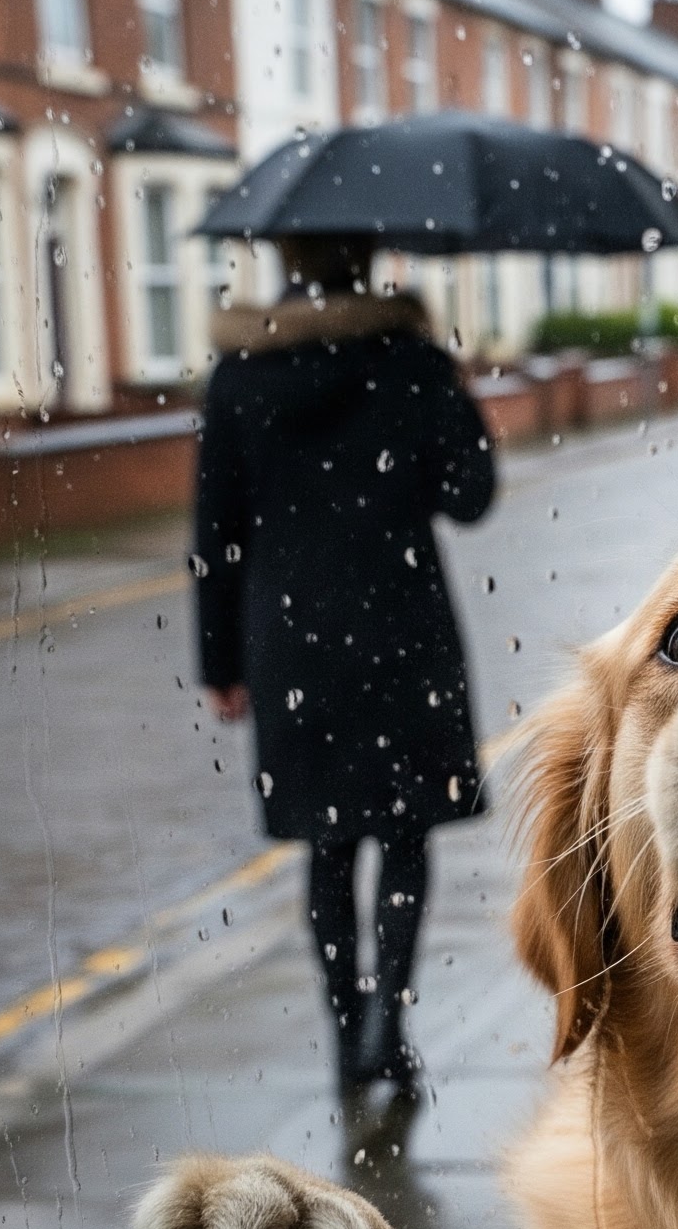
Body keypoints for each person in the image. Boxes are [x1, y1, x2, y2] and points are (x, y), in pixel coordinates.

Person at [194, 237, 495, 1096]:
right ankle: (386, 1027)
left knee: (327, 846)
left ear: (285, 256)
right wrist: (454, 393)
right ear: (368, 259)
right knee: (404, 838)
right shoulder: (410, 362)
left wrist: (218, 660)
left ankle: (343, 1035)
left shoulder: (242, 371)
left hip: (290, 640)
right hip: (402, 626)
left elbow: (215, 531)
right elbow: (469, 495)